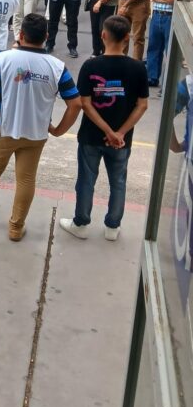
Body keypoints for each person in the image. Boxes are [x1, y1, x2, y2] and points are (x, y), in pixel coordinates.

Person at [0, 14, 82, 240]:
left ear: (20, 35)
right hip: (36, 134)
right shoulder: (57, 67)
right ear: (46, 37)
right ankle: (15, 227)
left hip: (2, 129)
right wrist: (59, 130)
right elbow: (75, 103)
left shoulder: (2, 59)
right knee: (26, 179)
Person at [59, 16, 149, 241]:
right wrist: (119, 133)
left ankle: (81, 223)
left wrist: (106, 130)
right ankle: (112, 226)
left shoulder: (91, 65)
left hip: (91, 136)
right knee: (118, 182)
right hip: (121, 140)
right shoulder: (138, 68)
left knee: (86, 180)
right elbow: (142, 105)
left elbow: (84, 103)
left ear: (103, 35)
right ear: (127, 38)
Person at [145, 0, 180, 87]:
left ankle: (168, 83)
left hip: (171, 17)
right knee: (153, 47)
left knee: (169, 51)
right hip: (157, 14)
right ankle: (152, 77)